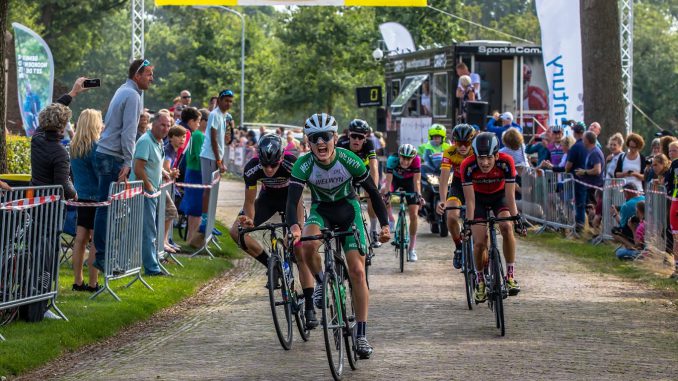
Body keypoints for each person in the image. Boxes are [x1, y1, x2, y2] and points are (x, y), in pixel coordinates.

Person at [286, 113, 390, 359]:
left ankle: (361, 334)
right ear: (308, 142)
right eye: (314, 138)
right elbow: (292, 201)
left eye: (326, 137)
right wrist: (294, 227)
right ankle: (322, 281)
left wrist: (385, 225)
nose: (321, 143)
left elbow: (373, 192)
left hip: (348, 210)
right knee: (306, 246)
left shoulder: (348, 159)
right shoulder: (303, 164)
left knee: (357, 271)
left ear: (334, 138)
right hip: (321, 210)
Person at [229, 133, 317, 324]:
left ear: (281, 159)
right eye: (265, 165)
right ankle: (272, 265)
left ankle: (310, 306)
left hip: (290, 199)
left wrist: (298, 229)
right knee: (236, 232)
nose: (269, 169)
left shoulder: (291, 164)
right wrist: (250, 221)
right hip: (267, 200)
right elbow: (250, 202)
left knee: (299, 250)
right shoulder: (252, 168)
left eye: (273, 165)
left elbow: (299, 200)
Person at [92, 58, 153, 272]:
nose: (151, 79)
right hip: (112, 156)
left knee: (108, 208)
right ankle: (103, 257)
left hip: (106, 154)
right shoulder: (133, 95)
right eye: (148, 74)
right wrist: (128, 160)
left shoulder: (123, 90)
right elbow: (129, 132)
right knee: (106, 208)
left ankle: (106, 255)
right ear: (137, 75)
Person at [460, 132, 524, 302]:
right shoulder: (467, 165)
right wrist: (468, 223)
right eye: (480, 158)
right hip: (478, 200)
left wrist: (516, 218)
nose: (484, 162)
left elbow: (510, 196)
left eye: (488, 157)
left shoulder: (506, 162)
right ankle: (480, 281)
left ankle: (509, 276)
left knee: (506, 227)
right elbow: (470, 200)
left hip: (499, 197)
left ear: (496, 155)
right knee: (479, 242)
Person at [131, 113, 172, 276]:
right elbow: (138, 168)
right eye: (163, 125)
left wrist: (164, 172)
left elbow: (153, 163)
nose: (166, 128)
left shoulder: (159, 142)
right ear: (153, 124)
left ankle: (150, 264)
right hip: (144, 193)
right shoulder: (146, 142)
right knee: (149, 231)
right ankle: (151, 268)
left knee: (150, 230)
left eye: (168, 125)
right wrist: (149, 188)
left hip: (151, 192)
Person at [69, 109, 104, 292]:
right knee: (94, 242)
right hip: (96, 198)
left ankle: (77, 281)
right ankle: (92, 283)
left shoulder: (74, 146)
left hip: (81, 196)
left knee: (80, 240)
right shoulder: (95, 147)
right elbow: (100, 174)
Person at [336, 119, 381, 246]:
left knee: (372, 197)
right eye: (353, 136)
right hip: (346, 173)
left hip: (363, 172)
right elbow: (338, 170)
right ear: (348, 135)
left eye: (360, 137)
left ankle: (373, 230)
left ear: (365, 137)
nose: (356, 140)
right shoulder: (341, 143)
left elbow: (374, 168)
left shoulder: (369, 144)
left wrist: (374, 190)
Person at [436, 124, 475, 269]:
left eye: (466, 143)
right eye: (459, 143)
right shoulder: (449, 152)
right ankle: (459, 246)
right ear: (454, 142)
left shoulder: (476, 151)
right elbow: (445, 178)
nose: (463, 147)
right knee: (451, 216)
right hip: (458, 184)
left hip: (476, 184)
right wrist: (442, 200)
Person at [198, 90, 235, 234]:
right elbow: (213, 138)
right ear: (219, 100)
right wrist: (219, 160)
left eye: (231, 101)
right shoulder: (214, 114)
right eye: (226, 100)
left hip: (216, 156)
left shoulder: (224, 116)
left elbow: (221, 140)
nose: (228, 103)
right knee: (208, 189)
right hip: (209, 156)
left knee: (213, 190)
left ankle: (210, 223)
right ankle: (204, 222)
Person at [382, 144, 423, 262]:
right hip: (395, 179)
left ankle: (411, 249)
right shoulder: (392, 160)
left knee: (414, 215)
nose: (405, 161)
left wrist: (419, 195)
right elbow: (388, 180)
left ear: (413, 158)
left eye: (408, 159)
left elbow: (417, 181)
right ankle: (391, 219)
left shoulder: (417, 161)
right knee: (383, 192)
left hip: (410, 182)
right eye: (403, 158)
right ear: (399, 156)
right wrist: (387, 194)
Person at [181, 108, 209, 246]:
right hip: (196, 173)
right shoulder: (198, 135)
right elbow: (199, 156)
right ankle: (192, 238)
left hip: (195, 172)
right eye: (206, 121)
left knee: (196, 208)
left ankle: (193, 239)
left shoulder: (199, 134)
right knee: (195, 208)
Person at [162, 126, 186, 253]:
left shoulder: (174, 150)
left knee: (170, 212)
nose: (182, 139)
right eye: (179, 136)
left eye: (184, 137)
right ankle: (163, 241)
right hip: (160, 186)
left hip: (165, 185)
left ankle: (165, 240)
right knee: (171, 211)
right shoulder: (169, 149)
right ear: (171, 137)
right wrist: (172, 173)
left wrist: (173, 172)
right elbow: (165, 167)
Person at [574, 131, 605, 222]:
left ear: (587, 140)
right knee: (590, 209)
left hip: (593, 187)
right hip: (590, 186)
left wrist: (584, 172)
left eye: (583, 139)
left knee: (592, 209)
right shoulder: (592, 151)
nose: (582, 141)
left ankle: (595, 230)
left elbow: (597, 170)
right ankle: (592, 231)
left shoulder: (595, 152)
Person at [565, 123, 587, 231]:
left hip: (577, 179)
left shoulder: (575, 147)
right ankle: (582, 226)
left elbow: (568, 165)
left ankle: (579, 226)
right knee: (582, 203)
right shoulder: (589, 146)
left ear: (575, 133)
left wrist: (565, 171)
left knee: (578, 203)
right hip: (588, 179)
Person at [665, 142, 678, 279]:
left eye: (674, 150)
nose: (671, 153)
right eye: (670, 151)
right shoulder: (674, 165)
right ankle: (676, 270)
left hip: (675, 202)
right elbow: (667, 182)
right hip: (676, 202)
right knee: (676, 237)